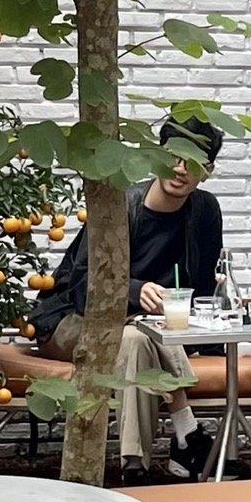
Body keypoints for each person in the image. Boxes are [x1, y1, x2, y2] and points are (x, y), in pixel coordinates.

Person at [30, 117, 227, 480]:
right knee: (138, 331)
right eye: (173, 157)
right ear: (154, 156)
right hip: (72, 322)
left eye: (194, 162)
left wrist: (219, 305)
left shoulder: (204, 211)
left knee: (137, 338)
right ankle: (187, 432)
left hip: (144, 334)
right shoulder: (121, 205)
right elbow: (79, 287)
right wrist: (134, 290)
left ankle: (135, 467)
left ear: (208, 172)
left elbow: (199, 294)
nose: (181, 169)